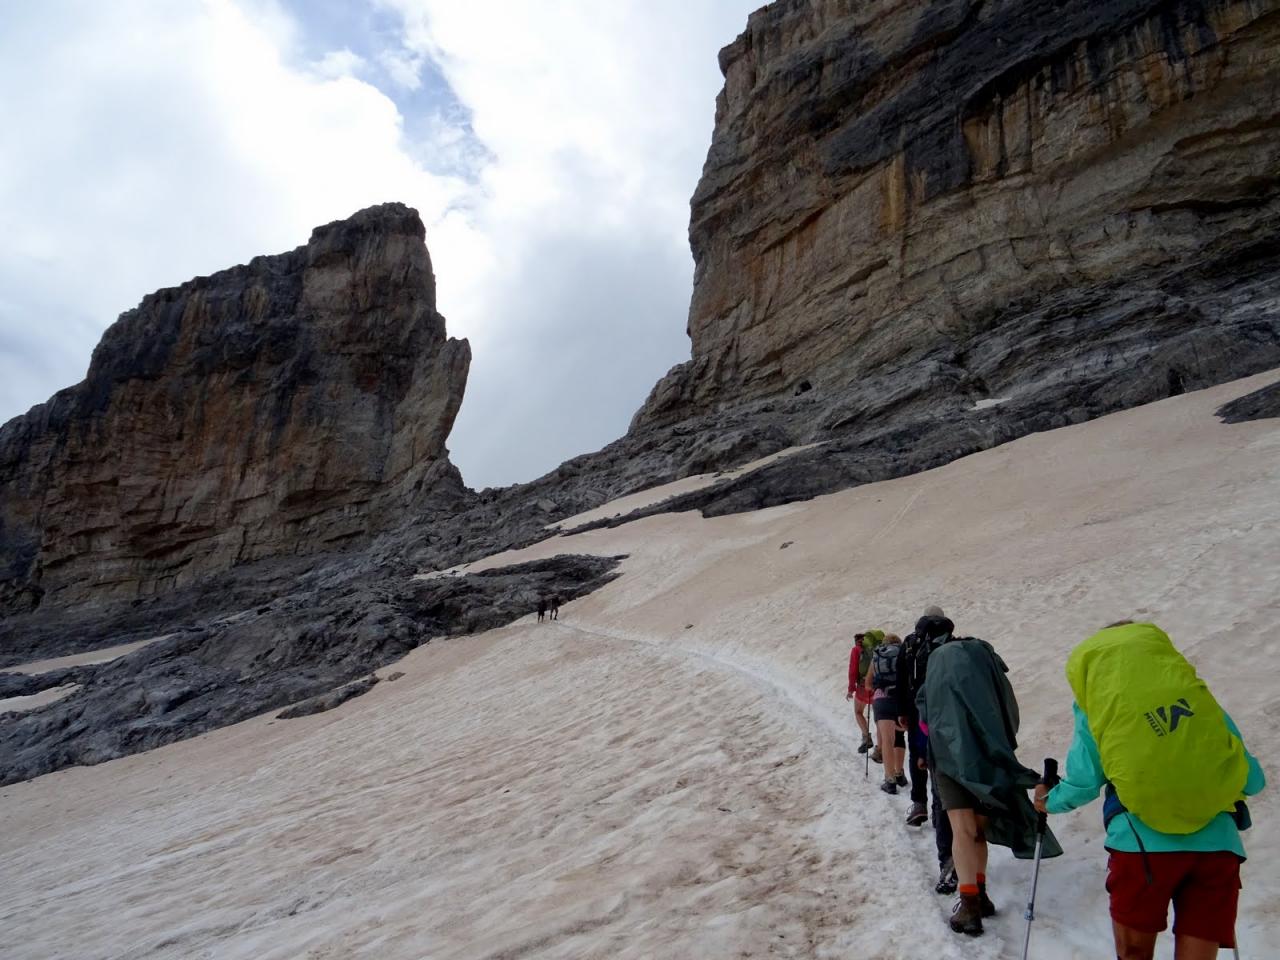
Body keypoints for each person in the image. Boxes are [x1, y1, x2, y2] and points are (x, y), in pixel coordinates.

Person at [1035, 621, 1266, 960]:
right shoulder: (1192, 697)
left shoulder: (1100, 706)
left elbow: (1083, 783)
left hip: (1140, 847)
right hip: (1218, 846)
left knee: (1134, 953)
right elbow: (1253, 780)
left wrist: (1046, 803)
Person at [919, 628, 1061, 936]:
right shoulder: (986, 665)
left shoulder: (937, 665)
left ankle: (969, 903)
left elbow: (926, 713)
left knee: (962, 829)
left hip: (948, 757)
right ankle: (980, 894)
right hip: (988, 757)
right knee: (978, 828)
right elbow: (1008, 710)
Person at [898, 606, 956, 890]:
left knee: (920, 758)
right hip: (949, 719)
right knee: (944, 780)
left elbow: (901, 679)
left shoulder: (910, 644)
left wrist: (902, 711)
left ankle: (919, 803)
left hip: (917, 712)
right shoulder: (953, 646)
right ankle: (954, 854)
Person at [871, 632, 907, 794]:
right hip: (901, 699)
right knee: (899, 737)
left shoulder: (877, 656)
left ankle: (890, 780)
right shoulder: (904, 654)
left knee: (887, 740)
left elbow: (868, 683)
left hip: (882, 699)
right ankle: (900, 773)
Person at [845, 630, 879, 753]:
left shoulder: (856, 650)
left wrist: (850, 689)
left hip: (862, 687)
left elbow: (852, 671)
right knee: (878, 718)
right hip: (877, 687)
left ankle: (866, 737)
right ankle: (881, 747)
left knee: (858, 712)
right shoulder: (877, 649)